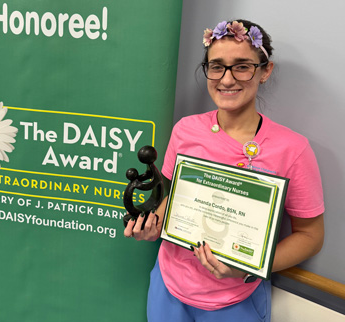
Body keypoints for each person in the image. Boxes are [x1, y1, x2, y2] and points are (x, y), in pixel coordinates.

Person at [124, 19, 325, 322]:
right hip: (168, 288)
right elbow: (171, 200)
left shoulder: (292, 149)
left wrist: (249, 266)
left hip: (235, 302)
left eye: (242, 66)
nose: (227, 80)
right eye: (216, 66)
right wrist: (152, 225)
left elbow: (310, 236)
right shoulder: (185, 130)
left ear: (265, 71)